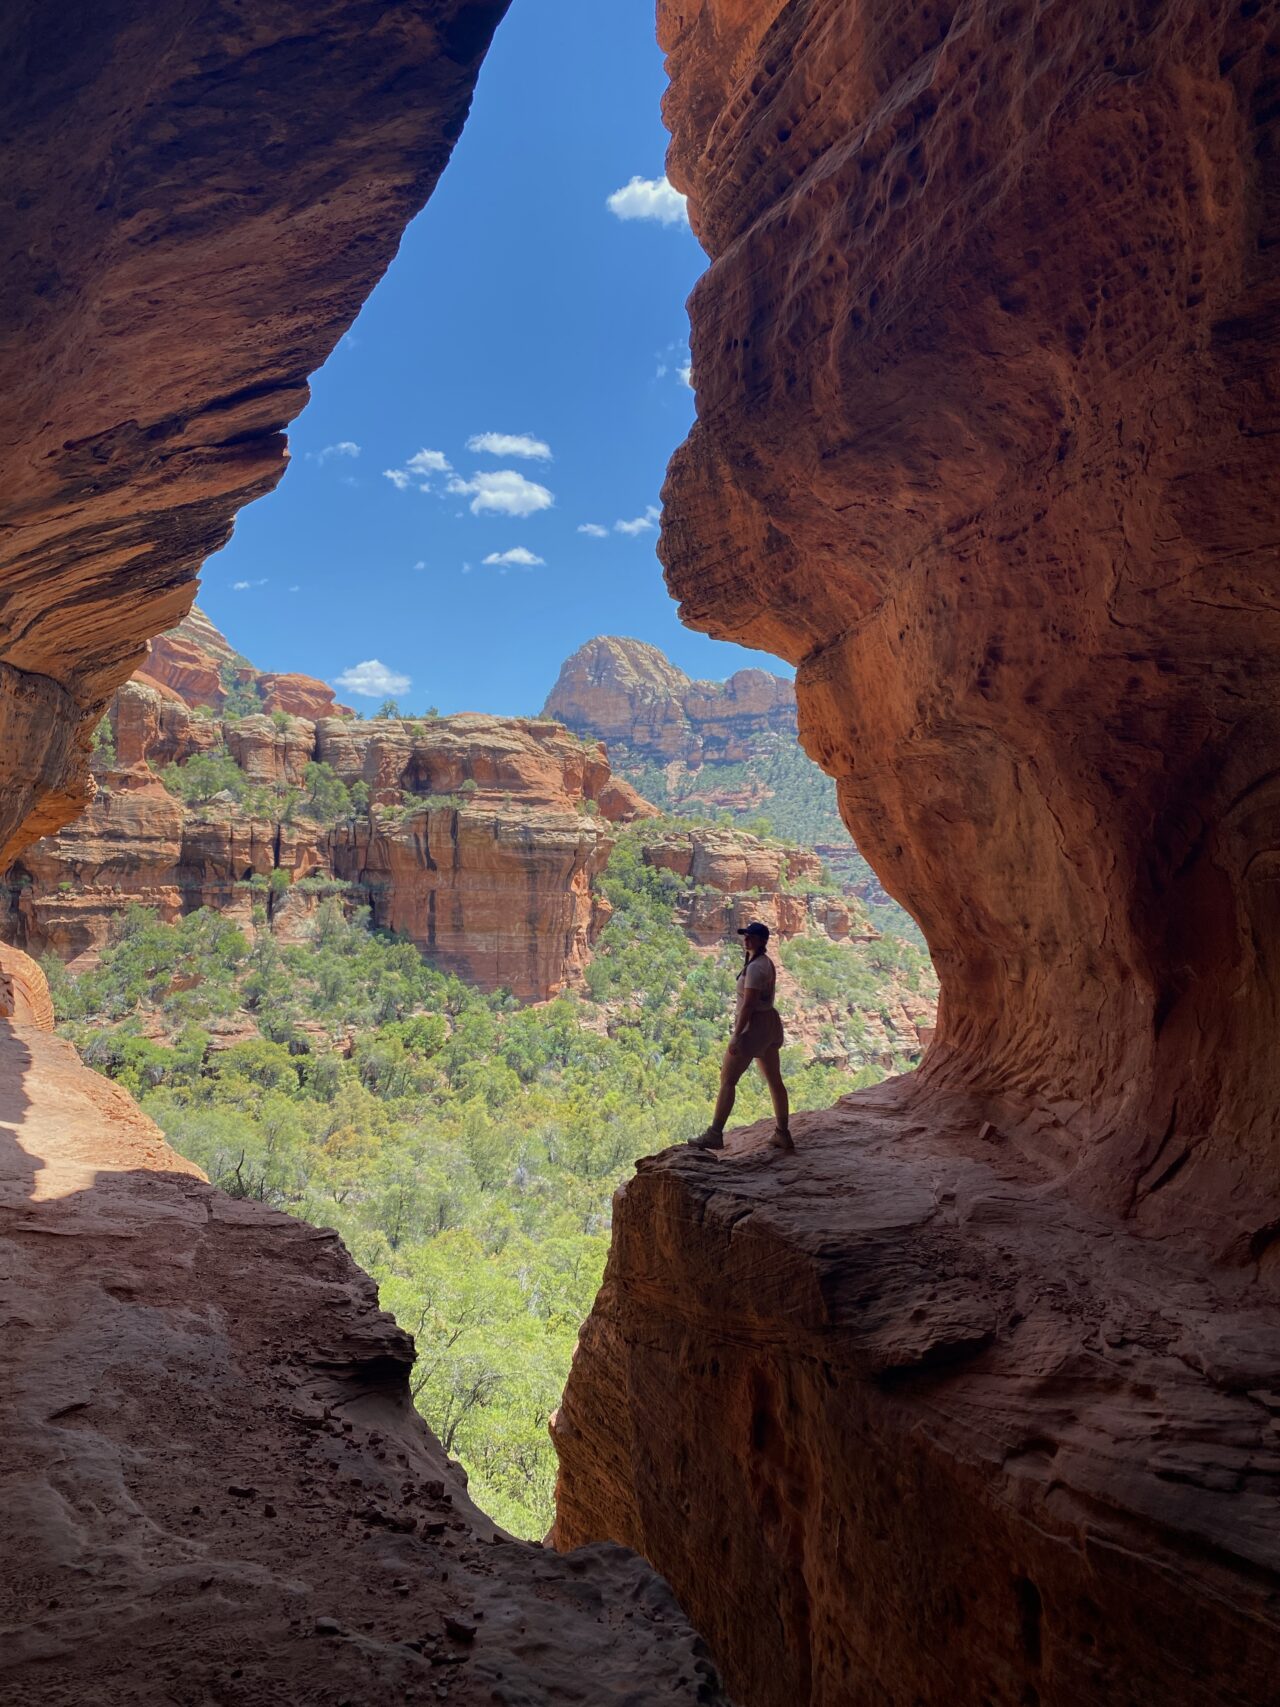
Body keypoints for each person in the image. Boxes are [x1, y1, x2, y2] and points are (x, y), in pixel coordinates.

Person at [690, 921, 793, 1153]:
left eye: (752, 936)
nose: (746, 939)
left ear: (762, 940)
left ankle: (715, 1134)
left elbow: (748, 1004)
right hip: (769, 1024)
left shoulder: (756, 968)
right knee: (775, 1080)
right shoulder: (763, 962)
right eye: (745, 935)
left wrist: (737, 1035)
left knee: (727, 1079)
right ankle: (783, 1133)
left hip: (754, 1027)